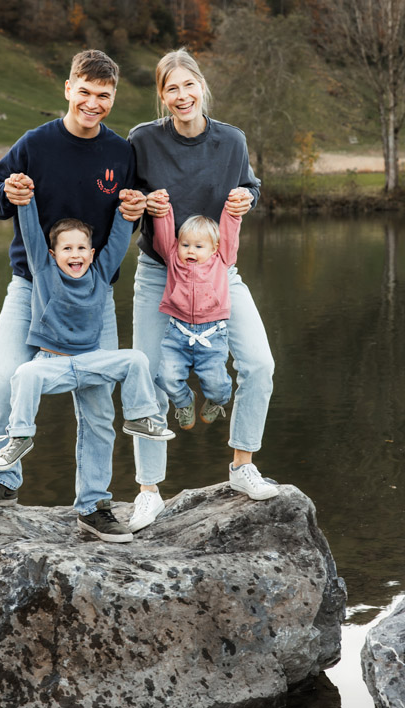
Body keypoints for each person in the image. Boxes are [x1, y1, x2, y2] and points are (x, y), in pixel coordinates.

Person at [0, 49, 147, 543]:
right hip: (30, 288)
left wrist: (139, 205)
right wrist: (11, 193)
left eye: (103, 96)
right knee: (3, 382)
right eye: (84, 92)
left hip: (94, 298)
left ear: (113, 98)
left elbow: (135, 214)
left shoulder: (120, 153)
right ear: (68, 89)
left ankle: (93, 504)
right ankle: (2, 480)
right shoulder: (35, 144)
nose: (92, 103)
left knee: (97, 403)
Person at [126, 47, 278, 534]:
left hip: (218, 274)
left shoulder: (231, 141)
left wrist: (245, 198)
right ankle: (149, 491)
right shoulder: (143, 140)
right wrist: (142, 202)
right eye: (171, 88)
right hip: (158, 274)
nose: (182, 95)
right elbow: (125, 200)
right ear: (162, 96)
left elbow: (249, 186)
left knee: (259, 363)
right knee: (145, 374)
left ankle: (242, 466)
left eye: (189, 85)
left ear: (202, 87)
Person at [0, 176, 174, 509]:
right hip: (53, 363)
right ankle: (19, 437)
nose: (75, 255)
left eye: (80, 249)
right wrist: (25, 200)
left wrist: (126, 213)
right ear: (52, 253)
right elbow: (31, 234)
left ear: (91, 252)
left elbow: (118, 240)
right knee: (23, 375)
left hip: (91, 362)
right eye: (67, 249)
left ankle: (140, 416)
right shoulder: (44, 272)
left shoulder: (100, 275)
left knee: (136, 359)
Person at [150, 192, 240, 430]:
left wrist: (232, 211)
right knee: (165, 376)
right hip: (177, 332)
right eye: (185, 244)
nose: (190, 251)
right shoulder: (173, 259)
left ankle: (217, 400)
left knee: (217, 385)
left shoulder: (222, 259)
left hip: (212, 335)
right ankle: (184, 401)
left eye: (199, 246)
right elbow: (163, 237)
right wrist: (162, 208)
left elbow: (230, 234)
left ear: (214, 249)